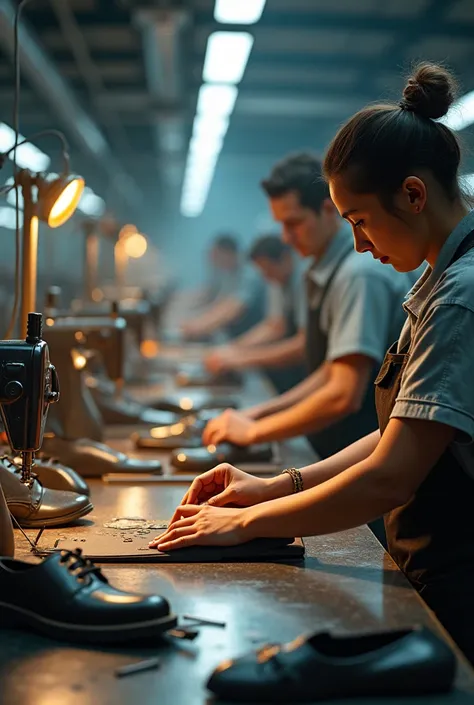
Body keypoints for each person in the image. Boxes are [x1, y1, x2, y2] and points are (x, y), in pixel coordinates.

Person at [152, 63, 474, 664]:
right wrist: (275, 487)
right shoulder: (435, 282)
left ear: (412, 194)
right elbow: (400, 432)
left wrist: (253, 523)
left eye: (359, 221)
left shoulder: (459, 295)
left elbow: (390, 475)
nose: (358, 244)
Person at [202, 153, 418, 461]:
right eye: (282, 226)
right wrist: (256, 415)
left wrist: (254, 431)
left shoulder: (359, 274)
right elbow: (330, 369)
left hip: (364, 453)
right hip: (340, 447)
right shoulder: (325, 270)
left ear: (328, 210)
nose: (287, 238)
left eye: (294, 224)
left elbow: (343, 394)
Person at [204, 235, 306, 394]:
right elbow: (275, 325)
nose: (266, 277)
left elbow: (302, 344)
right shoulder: (277, 280)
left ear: (285, 259)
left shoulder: (303, 279)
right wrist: (234, 349)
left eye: (269, 270)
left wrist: (243, 357)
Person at [181, 234, 266, 341]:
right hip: (236, 335)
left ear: (227, 253)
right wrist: (197, 321)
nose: (212, 261)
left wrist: (200, 325)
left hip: (254, 337)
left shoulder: (250, 272)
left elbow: (235, 306)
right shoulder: (227, 274)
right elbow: (220, 303)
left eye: (215, 256)